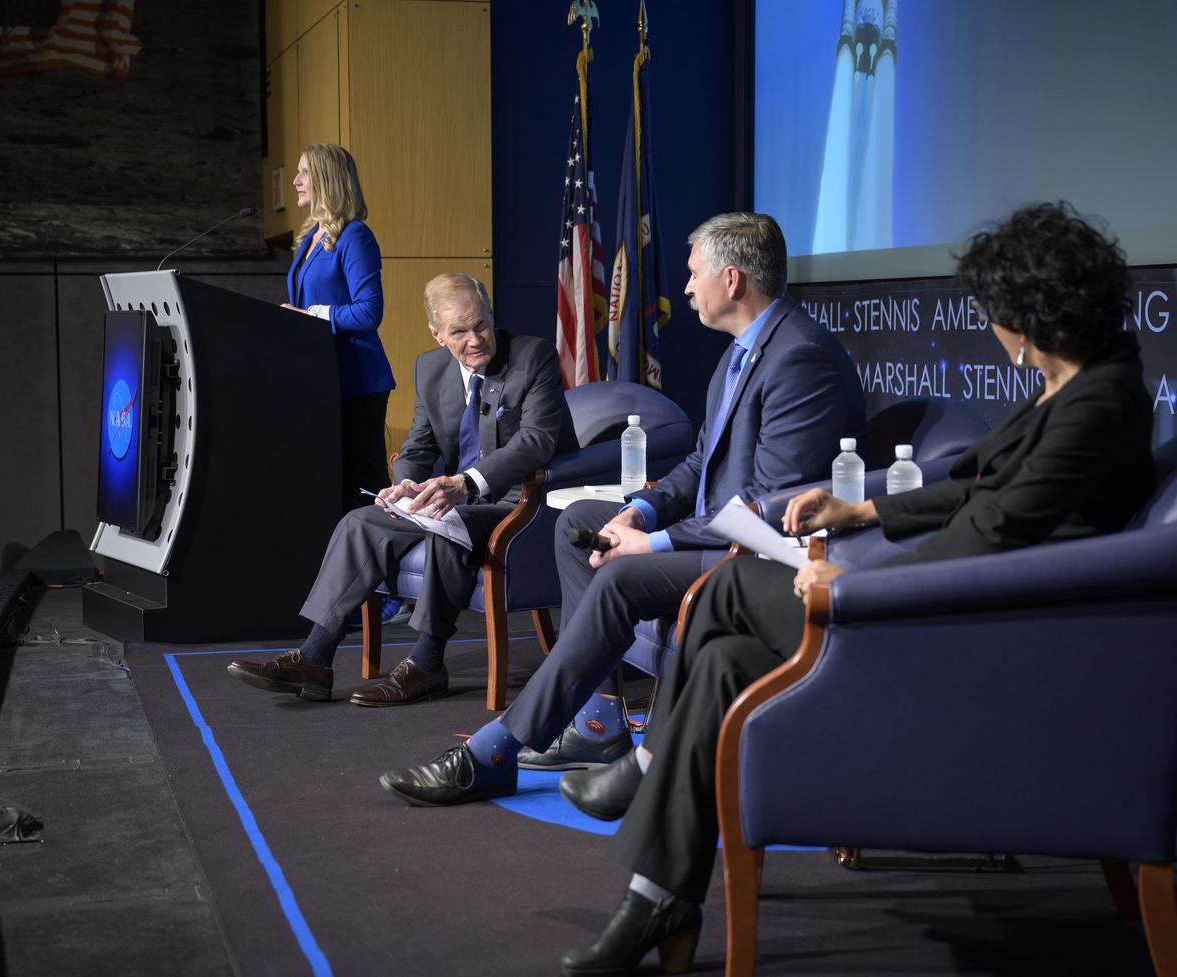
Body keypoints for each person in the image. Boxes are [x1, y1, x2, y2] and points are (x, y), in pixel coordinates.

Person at [553, 201, 1156, 977]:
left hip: (975, 647)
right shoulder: (1078, 385)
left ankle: (648, 763)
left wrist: (857, 586)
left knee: (730, 588)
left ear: (1032, 308)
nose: (993, 326)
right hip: (967, 620)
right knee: (723, 663)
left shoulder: (1098, 404)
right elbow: (977, 486)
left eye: (995, 310)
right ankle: (656, 897)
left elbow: (994, 531)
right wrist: (866, 508)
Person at [378, 212, 866, 807]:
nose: (685, 288)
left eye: (694, 275)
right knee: (581, 522)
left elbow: (766, 505)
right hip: (718, 532)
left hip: (758, 554)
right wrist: (640, 511)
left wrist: (656, 544)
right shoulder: (746, 348)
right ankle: (598, 720)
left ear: (732, 280)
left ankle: (494, 751)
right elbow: (698, 465)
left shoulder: (798, 358)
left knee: (620, 576)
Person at [229, 273, 577, 705]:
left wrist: (465, 483)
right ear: (437, 334)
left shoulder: (533, 357)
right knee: (360, 522)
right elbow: (418, 445)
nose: (474, 340)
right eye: (459, 332)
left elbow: (536, 441)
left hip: (518, 503)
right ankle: (315, 659)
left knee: (447, 528)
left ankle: (427, 664)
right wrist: (406, 485)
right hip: (449, 499)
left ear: (491, 315)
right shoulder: (429, 369)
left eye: (481, 325)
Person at [283, 143, 395, 514]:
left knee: (360, 488)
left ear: (327, 180)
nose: (296, 181)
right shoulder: (311, 237)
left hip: (356, 380)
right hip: (321, 380)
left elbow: (369, 312)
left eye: (304, 173)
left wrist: (310, 315)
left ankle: (373, 567)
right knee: (327, 486)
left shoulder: (354, 236)